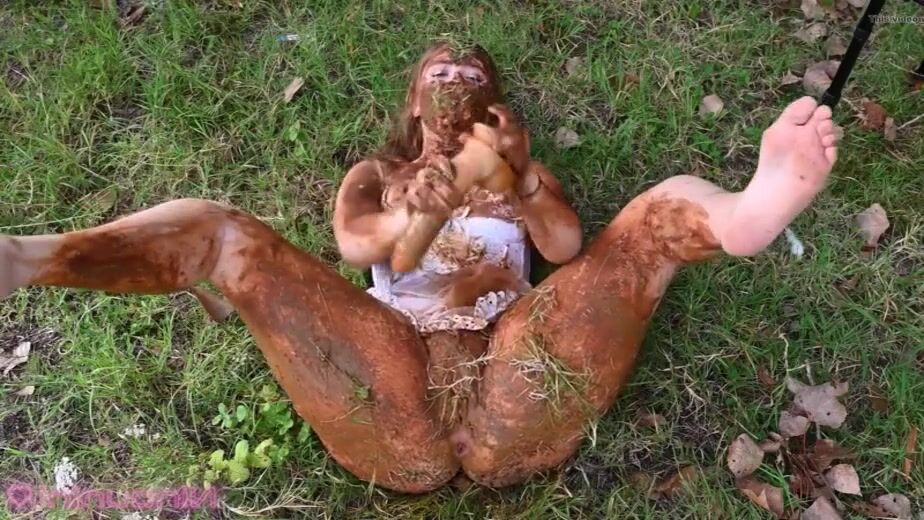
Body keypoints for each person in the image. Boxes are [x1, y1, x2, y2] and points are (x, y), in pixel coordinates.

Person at [0, 42, 839, 493]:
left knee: (648, 220)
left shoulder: (523, 174)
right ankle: (27, 260)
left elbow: (566, 251)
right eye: (441, 72)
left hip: (518, 380)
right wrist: (422, 204)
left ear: (494, 104)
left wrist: (518, 181)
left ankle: (747, 215)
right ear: (415, 100)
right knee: (225, 235)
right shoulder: (378, 173)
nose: (455, 81)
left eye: (472, 76)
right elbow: (357, 249)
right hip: (390, 389)